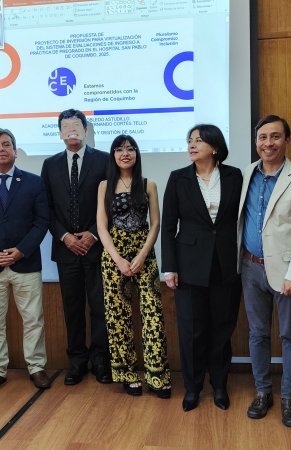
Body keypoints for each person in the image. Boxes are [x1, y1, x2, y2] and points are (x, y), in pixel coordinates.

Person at [236, 115, 291, 426]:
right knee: (257, 334)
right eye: (262, 138)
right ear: (256, 142)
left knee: (289, 336)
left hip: (286, 273)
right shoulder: (245, 175)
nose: (267, 143)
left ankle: (288, 399)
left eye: (274, 137)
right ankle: (262, 392)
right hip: (249, 267)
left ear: (287, 141)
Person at [161, 124, 243, 412]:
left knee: (222, 328)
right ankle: (193, 387)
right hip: (189, 265)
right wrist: (169, 267)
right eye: (190, 140)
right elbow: (168, 226)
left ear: (215, 146)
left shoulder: (234, 176)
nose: (192, 145)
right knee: (191, 330)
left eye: (199, 140)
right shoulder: (178, 178)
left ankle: (219, 385)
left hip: (225, 265)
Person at [0, 128, 51, 394]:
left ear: (15, 151)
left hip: (25, 263)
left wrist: (21, 250)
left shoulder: (34, 182)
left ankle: (36, 367)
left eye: (6, 144)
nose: (1, 148)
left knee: (33, 320)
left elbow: (42, 222)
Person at [96, 135, 171, 398]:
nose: (125, 153)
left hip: (144, 254)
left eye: (130, 149)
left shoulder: (149, 184)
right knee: (118, 317)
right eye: (119, 149)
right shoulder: (105, 185)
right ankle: (126, 374)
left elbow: (156, 224)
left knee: (152, 315)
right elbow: (101, 227)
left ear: (137, 154)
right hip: (113, 256)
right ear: (113, 155)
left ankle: (157, 376)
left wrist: (141, 256)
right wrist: (117, 258)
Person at [41, 109, 111, 386]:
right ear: (59, 133)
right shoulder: (50, 164)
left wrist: (93, 235)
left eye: (76, 125)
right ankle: (77, 362)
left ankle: (101, 361)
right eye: (65, 126)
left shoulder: (105, 160)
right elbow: (45, 207)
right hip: (65, 249)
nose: (71, 130)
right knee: (72, 309)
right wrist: (65, 237)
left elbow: (110, 204)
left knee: (99, 307)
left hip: (96, 247)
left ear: (85, 129)